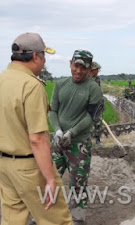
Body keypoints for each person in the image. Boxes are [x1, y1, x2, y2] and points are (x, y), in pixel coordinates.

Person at [0, 33, 73, 225]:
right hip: (30, 168)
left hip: (5, 166)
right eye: (44, 55)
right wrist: (49, 179)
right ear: (35, 56)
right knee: (56, 219)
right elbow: (37, 139)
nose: (45, 60)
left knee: (12, 219)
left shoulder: (2, 80)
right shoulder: (31, 86)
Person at [49, 49, 103, 223]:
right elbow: (53, 111)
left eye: (83, 68)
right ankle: (43, 212)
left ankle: (77, 217)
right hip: (58, 142)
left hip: (79, 144)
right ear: (70, 64)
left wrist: (72, 132)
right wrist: (57, 129)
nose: (78, 71)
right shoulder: (60, 85)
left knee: (78, 182)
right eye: (76, 66)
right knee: (50, 177)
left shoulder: (93, 89)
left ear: (89, 69)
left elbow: (91, 117)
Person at [89, 61, 105, 146]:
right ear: (92, 69)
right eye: (97, 69)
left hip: (98, 105)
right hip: (89, 105)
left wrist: (102, 104)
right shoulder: (86, 79)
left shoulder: (97, 79)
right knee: (87, 123)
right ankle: (87, 141)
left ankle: (97, 140)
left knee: (98, 123)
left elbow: (99, 91)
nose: (98, 71)